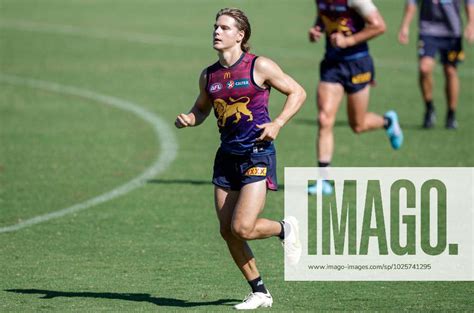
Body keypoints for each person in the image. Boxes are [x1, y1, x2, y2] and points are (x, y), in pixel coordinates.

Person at [175, 8, 305, 310]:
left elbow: (297, 92)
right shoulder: (209, 75)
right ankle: (260, 291)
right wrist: (189, 119)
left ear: (240, 35)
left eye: (224, 28)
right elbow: (202, 108)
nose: (217, 32)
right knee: (226, 230)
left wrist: (278, 123)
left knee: (242, 228)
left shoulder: (259, 66)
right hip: (226, 157)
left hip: (256, 152)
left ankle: (285, 229)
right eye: (215, 27)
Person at [307, 0, 404, 195]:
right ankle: (324, 180)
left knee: (357, 125)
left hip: (357, 64)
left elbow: (379, 26)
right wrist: (317, 28)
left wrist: (348, 41)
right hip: (332, 65)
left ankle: (387, 121)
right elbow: (325, 17)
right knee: (324, 119)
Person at [398, 0, 474, 129]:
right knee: (424, 68)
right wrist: (405, 25)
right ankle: (429, 108)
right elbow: (412, 2)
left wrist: (471, 23)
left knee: (450, 71)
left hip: (452, 32)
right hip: (428, 30)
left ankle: (451, 113)